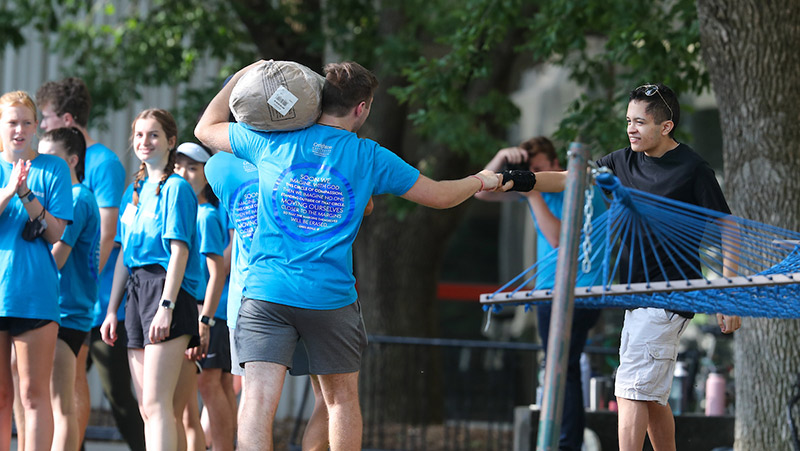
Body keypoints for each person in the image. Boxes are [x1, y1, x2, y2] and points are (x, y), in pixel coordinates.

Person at [195, 60, 510, 450]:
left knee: (258, 400)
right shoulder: (370, 156)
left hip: (265, 293)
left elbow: (204, 129)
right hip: (330, 299)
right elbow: (442, 196)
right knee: (340, 401)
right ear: (362, 107)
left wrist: (244, 74)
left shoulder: (270, 141)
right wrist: (486, 179)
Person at [533, 83, 742, 451]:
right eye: (628, 120)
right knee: (649, 397)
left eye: (640, 122)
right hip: (636, 297)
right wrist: (522, 182)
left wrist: (728, 293)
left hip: (669, 297)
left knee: (629, 389)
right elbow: (573, 180)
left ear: (666, 127)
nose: (631, 128)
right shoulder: (620, 163)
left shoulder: (692, 168)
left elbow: (729, 225)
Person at [475, 136, 605, 451]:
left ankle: (565, 443)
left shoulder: (580, 186)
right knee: (563, 366)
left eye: (538, 169)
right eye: (527, 170)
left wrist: (531, 192)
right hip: (552, 292)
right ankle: (565, 440)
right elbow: (480, 191)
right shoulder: (535, 191)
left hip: (578, 292)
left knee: (563, 367)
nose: (531, 174)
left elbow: (560, 238)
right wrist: (502, 156)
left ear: (556, 164)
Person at [36, 77, 144, 450]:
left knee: (110, 393)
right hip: (67, 298)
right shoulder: (56, 170)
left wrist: (79, 284)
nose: (41, 126)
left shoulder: (103, 165)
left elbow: (108, 234)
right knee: (58, 390)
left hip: (93, 301)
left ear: (66, 120)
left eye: (45, 119)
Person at [100, 108, 203, 450]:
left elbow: (179, 252)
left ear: (171, 141)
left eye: (154, 134)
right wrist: (112, 310)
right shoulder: (135, 190)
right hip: (136, 292)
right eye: (140, 134)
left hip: (166, 292)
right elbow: (124, 258)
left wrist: (166, 306)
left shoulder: (176, 188)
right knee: (149, 408)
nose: (145, 141)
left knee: (159, 406)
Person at [0, 91, 73, 451]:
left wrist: (27, 195)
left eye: (26, 122)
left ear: (35, 126)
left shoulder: (54, 168)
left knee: (32, 393)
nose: (19, 130)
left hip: (35, 294)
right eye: (12, 122)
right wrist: (8, 190)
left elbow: (58, 233)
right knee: (1, 393)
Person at [37, 127, 100, 451]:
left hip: (67, 312)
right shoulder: (78, 196)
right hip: (67, 310)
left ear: (72, 160)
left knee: (60, 405)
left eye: (51, 158)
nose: (43, 165)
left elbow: (55, 260)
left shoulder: (76, 199)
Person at [174, 142, 235, 450]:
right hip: (198, 305)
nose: (184, 173)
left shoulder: (212, 209)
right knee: (217, 383)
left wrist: (206, 313)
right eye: (179, 166)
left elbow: (226, 257)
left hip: (213, 306)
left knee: (210, 383)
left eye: (193, 168)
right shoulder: (180, 204)